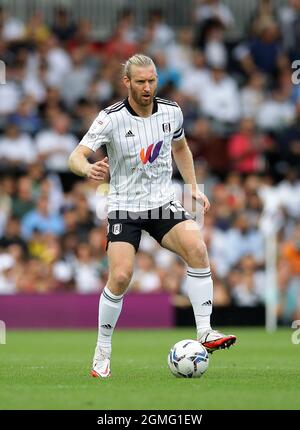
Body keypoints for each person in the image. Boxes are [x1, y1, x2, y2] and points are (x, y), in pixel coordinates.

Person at [68, 54, 236, 378]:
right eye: (141, 81)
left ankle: (205, 331)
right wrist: (89, 168)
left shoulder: (172, 111)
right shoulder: (111, 118)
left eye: (152, 81)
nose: (147, 88)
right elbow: (75, 156)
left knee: (198, 249)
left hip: (161, 202)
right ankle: (102, 351)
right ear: (126, 82)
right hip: (124, 206)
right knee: (120, 277)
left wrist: (193, 187)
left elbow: (182, 148)